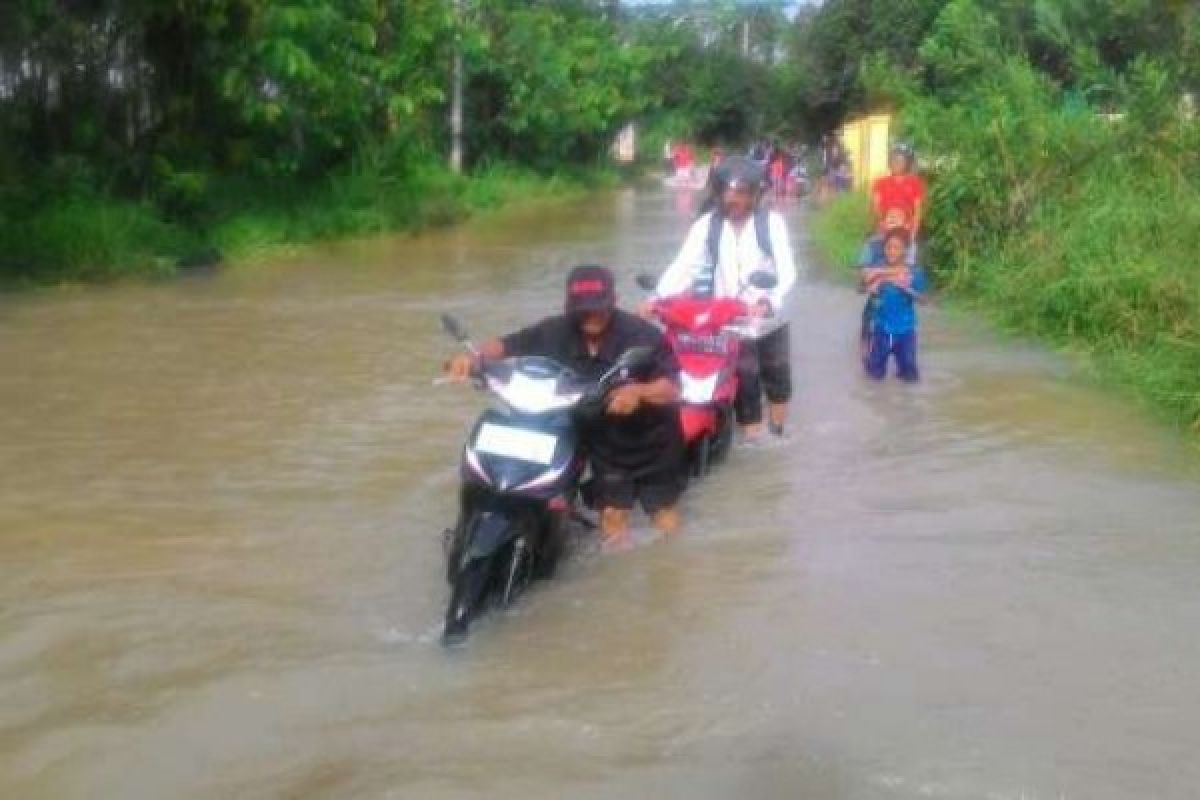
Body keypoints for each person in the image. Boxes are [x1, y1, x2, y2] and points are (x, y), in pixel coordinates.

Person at [446, 265, 685, 548]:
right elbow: (509, 344)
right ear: (568, 306)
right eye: (581, 309)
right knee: (612, 514)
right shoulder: (555, 330)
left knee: (661, 512)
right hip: (602, 438)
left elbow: (673, 388)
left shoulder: (642, 336)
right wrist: (472, 359)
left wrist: (639, 392)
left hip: (649, 439)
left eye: (598, 307)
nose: (590, 316)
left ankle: (670, 572)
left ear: (615, 301)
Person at [651, 156, 798, 438]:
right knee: (744, 378)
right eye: (727, 193)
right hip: (729, 320)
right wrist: (658, 298)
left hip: (770, 316)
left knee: (777, 375)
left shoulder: (772, 224)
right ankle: (751, 440)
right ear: (718, 194)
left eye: (741, 193)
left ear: (755, 195)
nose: (733, 199)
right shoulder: (707, 226)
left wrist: (768, 300)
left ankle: (778, 431)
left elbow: (787, 270)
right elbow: (684, 266)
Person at [860, 228, 928, 382]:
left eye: (896, 247)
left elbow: (923, 300)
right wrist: (870, 288)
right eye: (888, 247)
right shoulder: (876, 270)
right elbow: (861, 287)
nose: (891, 251)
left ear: (905, 250)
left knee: (910, 375)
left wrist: (908, 290)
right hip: (882, 330)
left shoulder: (914, 273)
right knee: (875, 376)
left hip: (906, 331)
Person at [870, 142, 926, 264]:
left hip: (906, 231)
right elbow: (876, 206)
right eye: (894, 159)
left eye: (901, 160)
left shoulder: (915, 183)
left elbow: (917, 212)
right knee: (873, 255)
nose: (897, 163)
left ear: (907, 163)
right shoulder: (880, 183)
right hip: (884, 229)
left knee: (909, 263)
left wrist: (912, 234)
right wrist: (882, 224)